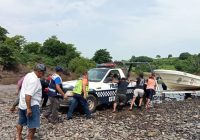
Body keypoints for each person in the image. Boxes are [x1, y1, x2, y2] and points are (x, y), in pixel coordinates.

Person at [16, 63, 46, 140]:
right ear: (40, 71)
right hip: (32, 105)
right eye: (43, 72)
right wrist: (29, 108)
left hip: (22, 104)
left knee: (21, 122)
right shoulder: (34, 80)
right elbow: (28, 95)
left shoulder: (29, 75)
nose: (43, 74)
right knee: (33, 125)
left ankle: (18, 137)